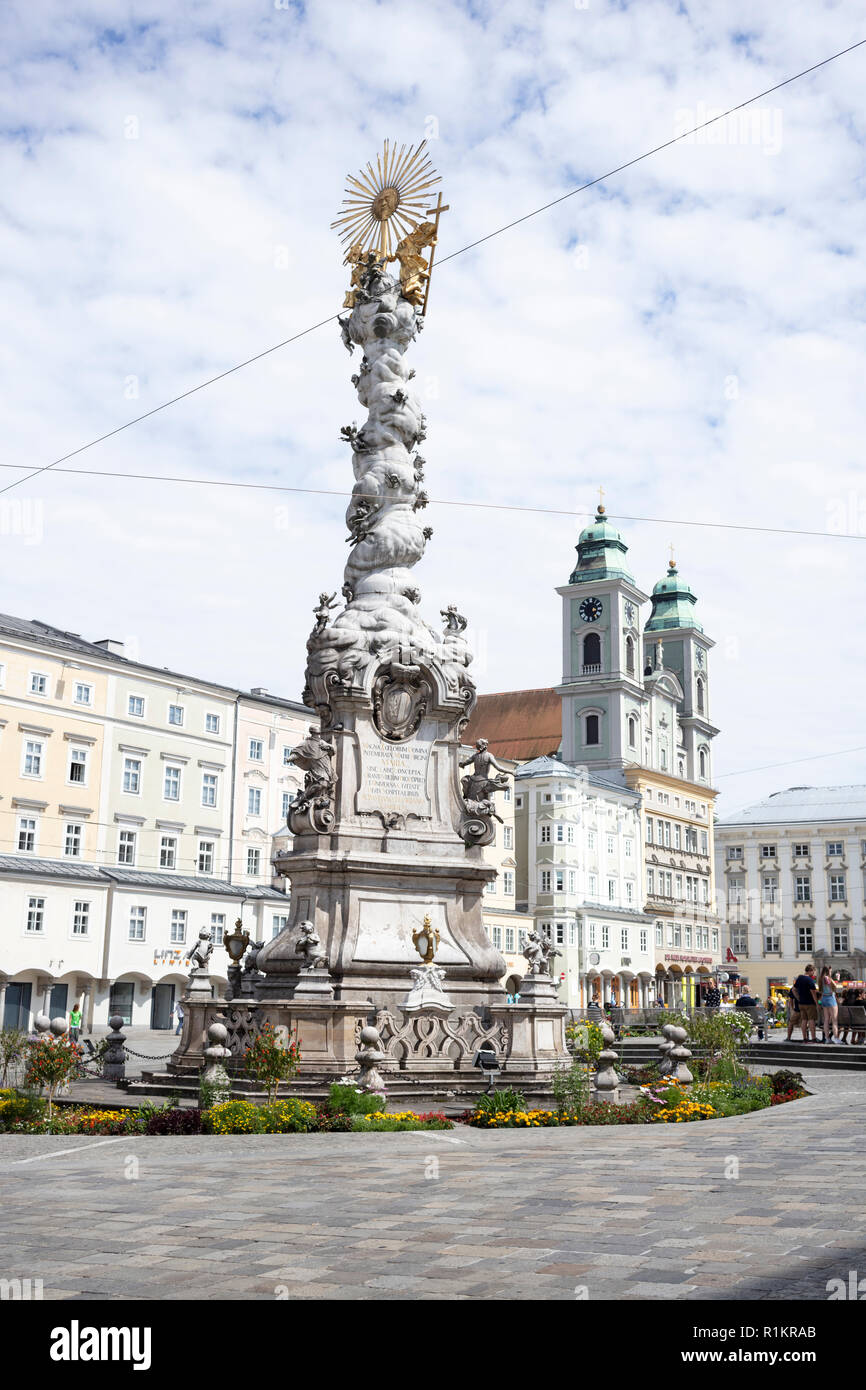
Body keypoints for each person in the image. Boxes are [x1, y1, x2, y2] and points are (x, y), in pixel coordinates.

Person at [791, 965, 819, 1042]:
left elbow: (793, 990)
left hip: (801, 1003)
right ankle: (813, 1038)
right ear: (810, 970)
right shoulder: (810, 980)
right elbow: (813, 993)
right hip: (809, 1003)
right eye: (813, 971)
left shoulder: (799, 978)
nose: (814, 973)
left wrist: (798, 998)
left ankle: (805, 1038)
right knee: (811, 1020)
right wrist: (817, 1004)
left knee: (804, 1020)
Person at [818, 966, 842, 1044]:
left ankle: (827, 1038)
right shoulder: (827, 978)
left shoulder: (820, 978)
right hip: (830, 998)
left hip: (824, 998)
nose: (831, 972)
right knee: (834, 1020)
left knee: (826, 1020)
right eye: (830, 971)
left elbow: (822, 989)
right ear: (828, 971)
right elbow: (834, 987)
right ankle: (836, 1038)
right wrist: (837, 980)